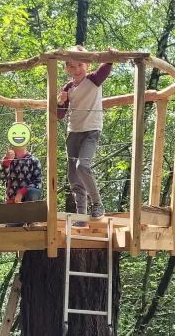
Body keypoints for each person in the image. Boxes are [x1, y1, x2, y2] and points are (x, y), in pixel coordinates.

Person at [57, 45, 114, 227]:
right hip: (73, 132)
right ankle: (81, 217)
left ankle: (97, 203)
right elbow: (60, 114)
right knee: (73, 176)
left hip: (91, 130)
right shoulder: (68, 87)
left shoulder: (94, 79)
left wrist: (110, 55)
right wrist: (61, 101)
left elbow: (106, 66)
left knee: (83, 165)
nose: (76, 70)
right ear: (66, 68)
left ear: (88, 64)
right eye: (71, 66)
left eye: (80, 65)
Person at [0, 123, 42, 227]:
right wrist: (6, 161)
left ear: (28, 139)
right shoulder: (8, 159)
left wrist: (22, 192)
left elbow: (38, 184)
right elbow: (1, 178)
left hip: (29, 203)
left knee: (34, 191)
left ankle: (32, 221)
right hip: (12, 204)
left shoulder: (34, 161)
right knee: (12, 238)